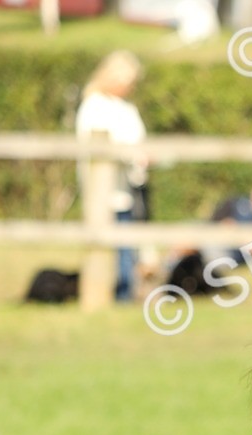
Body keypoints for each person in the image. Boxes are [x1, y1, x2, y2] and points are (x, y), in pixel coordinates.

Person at [75, 50, 147, 302]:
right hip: (105, 191)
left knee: (128, 247)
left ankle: (126, 296)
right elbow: (98, 146)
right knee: (110, 249)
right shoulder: (94, 105)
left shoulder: (126, 107)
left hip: (128, 187)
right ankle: (111, 297)